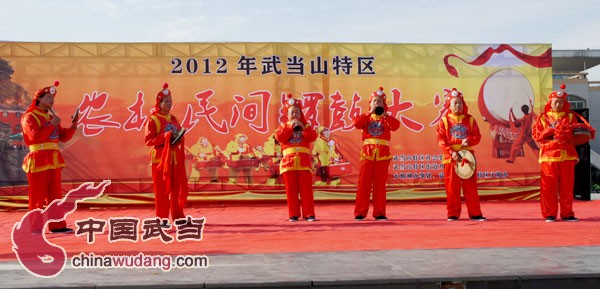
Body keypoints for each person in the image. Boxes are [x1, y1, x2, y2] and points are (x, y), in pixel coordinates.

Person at [532, 84, 595, 222]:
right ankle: (549, 214)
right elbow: (537, 136)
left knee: (567, 187)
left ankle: (567, 214)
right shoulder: (543, 118)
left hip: (567, 156)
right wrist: (549, 130)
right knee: (548, 187)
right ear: (551, 102)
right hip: (549, 157)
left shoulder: (571, 117)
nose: (558, 104)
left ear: (565, 103)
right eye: (556, 102)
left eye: (561, 102)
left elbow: (577, 134)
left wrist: (568, 135)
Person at [21, 81, 78, 233]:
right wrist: (51, 124)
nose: (51, 100)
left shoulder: (51, 117)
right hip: (38, 158)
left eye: (52, 98)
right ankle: (35, 227)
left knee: (55, 195)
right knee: (37, 196)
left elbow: (63, 137)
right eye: (48, 97)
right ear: (38, 99)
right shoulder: (30, 116)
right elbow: (34, 137)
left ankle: (57, 225)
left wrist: (73, 125)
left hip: (53, 159)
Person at [436, 88, 486, 221]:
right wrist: (451, 152)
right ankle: (453, 214)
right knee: (452, 187)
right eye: (455, 103)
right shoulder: (444, 121)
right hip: (451, 158)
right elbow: (441, 141)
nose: (458, 105)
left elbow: (478, 136)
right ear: (449, 105)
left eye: (460, 103)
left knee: (471, 187)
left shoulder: (470, 120)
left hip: (467, 156)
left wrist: (469, 140)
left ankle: (475, 213)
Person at [353, 87, 400, 221]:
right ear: (370, 103)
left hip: (382, 154)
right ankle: (360, 213)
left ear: (384, 104)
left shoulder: (386, 118)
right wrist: (369, 113)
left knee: (380, 185)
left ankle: (379, 212)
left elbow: (396, 126)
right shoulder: (366, 117)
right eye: (374, 101)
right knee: (364, 184)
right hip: (367, 154)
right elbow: (357, 124)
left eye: (379, 101)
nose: (376, 104)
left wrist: (385, 115)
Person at [144, 83, 188, 227]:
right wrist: (166, 136)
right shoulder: (153, 119)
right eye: (166, 101)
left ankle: (178, 217)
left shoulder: (173, 118)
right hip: (161, 160)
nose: (169, 104)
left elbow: (179, 133)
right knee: (162, 191)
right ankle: (161, 219)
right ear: (159, 103)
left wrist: (179, 136)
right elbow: (148, 140)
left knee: (176, 189)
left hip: (174, 159)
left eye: (170, 101)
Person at [275, 94, 318, 222]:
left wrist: (304, 127)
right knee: (291, 191)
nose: (294, 114)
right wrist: (290, 127)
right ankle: (293, 214)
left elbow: (313, 137)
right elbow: (280, 137)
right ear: (287, 115)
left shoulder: (307, 126)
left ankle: (309, 213)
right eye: (291, 112)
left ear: (301, 114)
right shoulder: (283, 127)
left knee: (306, 190)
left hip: (304, 161)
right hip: (289, 162)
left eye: (297, 112)